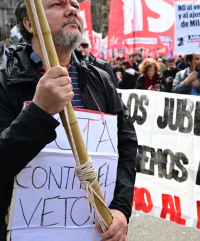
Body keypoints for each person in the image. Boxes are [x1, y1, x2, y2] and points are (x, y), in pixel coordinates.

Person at [0, 1, 137, 241]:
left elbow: (126, 145)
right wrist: (39, 111)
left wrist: (121, 209)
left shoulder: (100, 79)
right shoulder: (5, 83)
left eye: (75, 4)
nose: (73, 9)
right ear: (30, 22)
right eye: (58, 4)